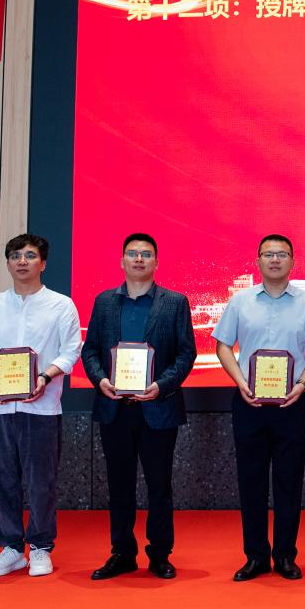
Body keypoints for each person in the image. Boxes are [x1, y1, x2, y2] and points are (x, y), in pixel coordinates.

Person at [81, 233, 196, 580]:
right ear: (122, 261)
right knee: (119, 485)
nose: (139, 259)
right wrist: (101, 379)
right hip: (115, 408)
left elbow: (186, 353)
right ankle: (122, 553)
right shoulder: (104, 302)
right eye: (132, 253)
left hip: (158, 407)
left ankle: (159, 554)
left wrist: (161, 386)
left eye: (146, 254)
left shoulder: (175, 302)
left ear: (156, 262)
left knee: (159, 485)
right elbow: (90, 350)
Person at [0, 234, 81, 577]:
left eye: (30, 256)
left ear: (42, 263)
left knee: (41, 482)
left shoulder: (61, 305)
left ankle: (41, 547)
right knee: (3, 480)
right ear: (7, 263)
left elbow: (71, 350)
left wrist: (45, 377)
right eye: (15, 255)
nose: (22, 261)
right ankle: (12, 549)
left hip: (41, 409)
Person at [213, 234, 305, 581]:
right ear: (258, 260)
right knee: (251, 480)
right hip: (250, 401)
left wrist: (302, 384)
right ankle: (256, 556)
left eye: (282, 254)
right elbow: (222, 346)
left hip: (293, 402)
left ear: (292, 262)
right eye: (268, 254)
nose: (275, 260)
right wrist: (240, 382)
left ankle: (286, 555)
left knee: (289, 480)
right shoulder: (240, 301)